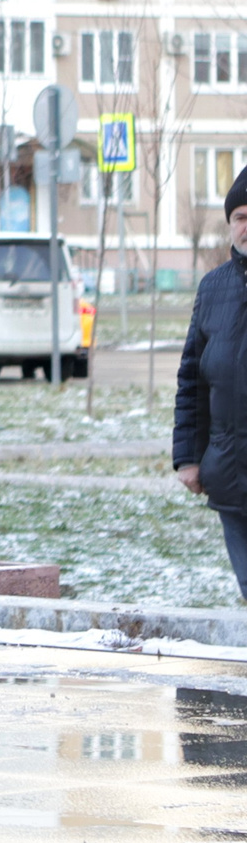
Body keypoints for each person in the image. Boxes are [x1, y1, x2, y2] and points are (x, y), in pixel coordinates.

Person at [173, 172, 247, 603]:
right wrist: (187, 457)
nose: (246, 225)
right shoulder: (212, 287)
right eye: (239, 216)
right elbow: (191, 380)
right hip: (231, 471)